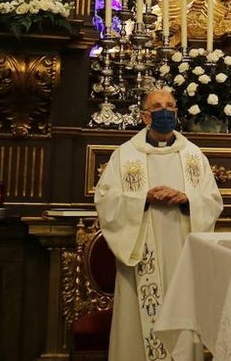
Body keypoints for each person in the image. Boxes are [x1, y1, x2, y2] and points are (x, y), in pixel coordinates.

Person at [94, 87, 222, 361]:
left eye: (170, 106)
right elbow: (106, 199)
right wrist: (143, 198)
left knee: (182, 318)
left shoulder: (193, 156)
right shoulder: (125, 155)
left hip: (182, 250)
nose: (165, 111)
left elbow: (212, 200)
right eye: (157, 106)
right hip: (140, 253)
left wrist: (188, 198)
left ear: (176, 113)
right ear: (144, 116)